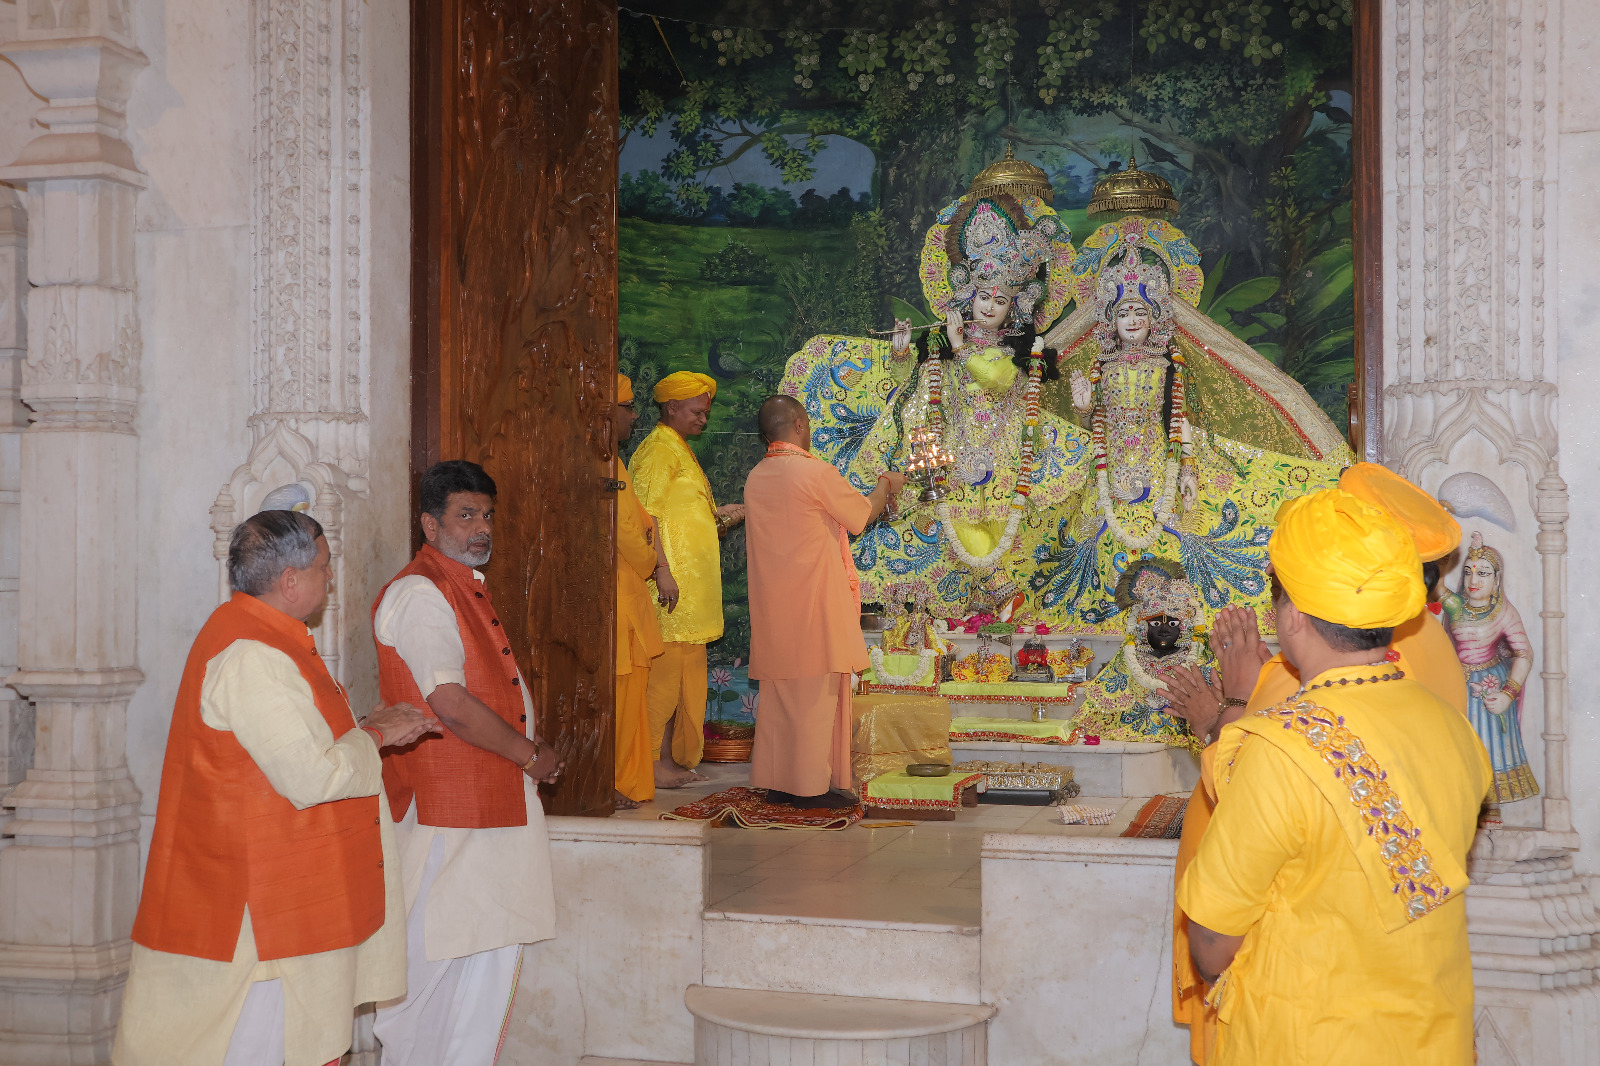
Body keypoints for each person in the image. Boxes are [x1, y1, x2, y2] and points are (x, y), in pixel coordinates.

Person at [1162, 462, 1468, 1063]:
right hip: (1426, 1037)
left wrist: (1231, 707)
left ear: (1295, 616)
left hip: (1305, 1038)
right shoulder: (1452, 732)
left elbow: (1212, 946)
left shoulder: (1278, 750)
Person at [115, 510, 437, 1066]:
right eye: (324, 567)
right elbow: (313, 776)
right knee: (261, 1044)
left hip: (280, 891)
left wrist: (364, 730)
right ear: (290, 582)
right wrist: (378, 735)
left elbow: (295, 748)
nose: (330, 578)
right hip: (257, 914)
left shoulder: (268, 637)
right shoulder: (253, 655)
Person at [370, 460, 564, 1065]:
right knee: (433, 967)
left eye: (487, 516)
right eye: (466, 515)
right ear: (430, 523)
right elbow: (448, 703)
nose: (481, 528)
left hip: (482, 813)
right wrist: (529, 755)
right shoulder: (420, 593)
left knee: (482, 958)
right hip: (447, 816)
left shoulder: (463, 584)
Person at [744, 395, 905, 808]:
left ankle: (781, 782)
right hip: (813, 602)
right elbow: (860, 514)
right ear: (799, 424)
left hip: (772, 604)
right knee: (816, 699)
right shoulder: (814, 472)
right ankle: (810, 788)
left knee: (781, 696)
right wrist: (887, 485)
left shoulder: (757, 476)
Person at [629, 370, 744, 788]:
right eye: (697, 411)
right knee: (662, 684)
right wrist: (661, 571)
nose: (703, 420)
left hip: (689, 599)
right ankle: (649, 765)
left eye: (706, 413)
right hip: (669, 594)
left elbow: (683, 520)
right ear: (672, 407)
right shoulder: (658, 451)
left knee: (684, 685)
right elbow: (643, 518)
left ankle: (671, 760)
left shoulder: (679, 449)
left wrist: (724, 517)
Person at [613, 373, 665, 809]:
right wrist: (653, 562)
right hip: (620, 595)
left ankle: (626, 782)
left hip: (625, 592)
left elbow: (642, 519)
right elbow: (628, 531)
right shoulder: (606, 466)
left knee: (631, 698)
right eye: (627, 408)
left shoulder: (613, 463)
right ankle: (614, 782)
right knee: (623, 701)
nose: (633, 417)